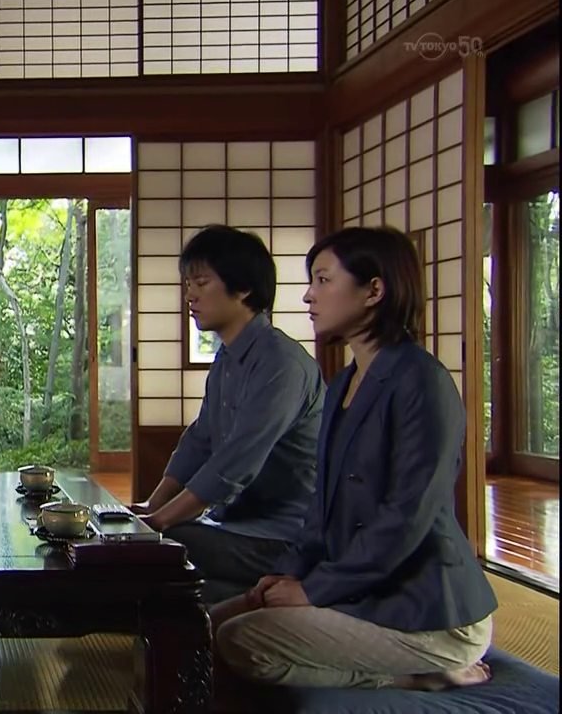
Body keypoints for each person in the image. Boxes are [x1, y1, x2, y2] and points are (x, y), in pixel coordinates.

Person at [211, 225, 498, 691]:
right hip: (366, 591)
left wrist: (313, 591)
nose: (308, 295)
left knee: (240, 640)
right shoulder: (345, 382)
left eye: (323, 280)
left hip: (430, 610)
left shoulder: (421, 382)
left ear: (374, 291)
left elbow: (407, 517)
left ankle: (416, 675)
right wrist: (286, 575)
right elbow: (320, 510)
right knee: (202, 627)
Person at [132, 225, 324, 604]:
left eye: (202, 283)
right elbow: (200, 439)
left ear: (244, 288)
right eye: (188, 284)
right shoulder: (227, 357)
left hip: (282, 536)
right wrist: (151, 506)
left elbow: (236, 462)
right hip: (233, 523)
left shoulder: (281, 364)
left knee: (155, 546)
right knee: (145, 546)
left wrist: (160, 522)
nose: (190, 295)